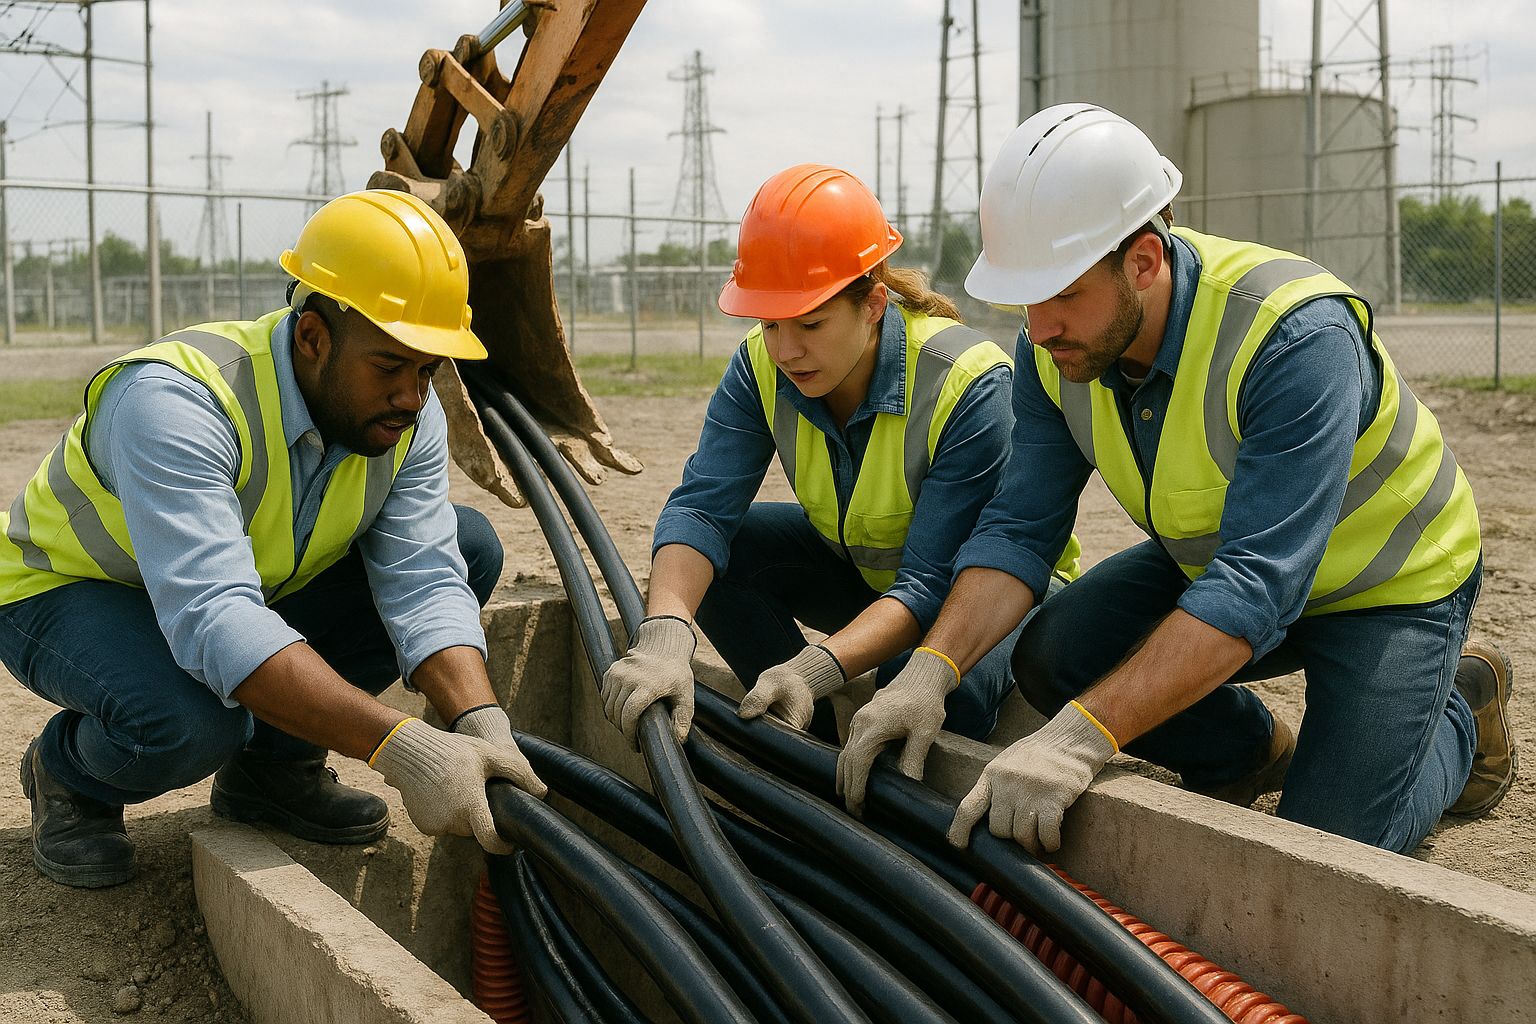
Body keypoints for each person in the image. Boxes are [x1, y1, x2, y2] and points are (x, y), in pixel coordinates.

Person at [836, 104, 1515, 858]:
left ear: (1145, 261)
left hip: (1387, 586)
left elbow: (1258, 584)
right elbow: (1018, 529)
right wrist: (929, 670)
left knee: (1327, 848)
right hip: (1228, 561)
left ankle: (1458, 709)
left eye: (1063, 293)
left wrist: (1080, 738)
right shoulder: (1052, 350)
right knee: (1056, 653)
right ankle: (1242, 753)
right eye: (1026, 298)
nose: (1040, 325)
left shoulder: (1293, 336)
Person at [0, 189, 546, 889]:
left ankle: (273, 772)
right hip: (69, 591)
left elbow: (425, 578)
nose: (412, 396)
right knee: (189, 720)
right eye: (389, 367)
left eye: (427, 369)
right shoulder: (175, 400)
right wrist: (404, 749)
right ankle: (69, 776)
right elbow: (215, 618)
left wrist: (480, 723)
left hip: (228, 593)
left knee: (468, 547)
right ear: (313, 336)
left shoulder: (409, 411)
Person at [599, 164, 1079, 753]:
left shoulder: (966, 382)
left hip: (984, 596)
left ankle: (864, 762)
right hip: (875, 581)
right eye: (770, 323)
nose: (786, 349)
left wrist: (816, 666)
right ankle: (809, 739)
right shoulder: (761, 366)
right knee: (726, 556)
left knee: (940, 690)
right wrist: (667, 633)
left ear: (874, 304)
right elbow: (701, 511)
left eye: (811, 323)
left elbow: (930, 583)